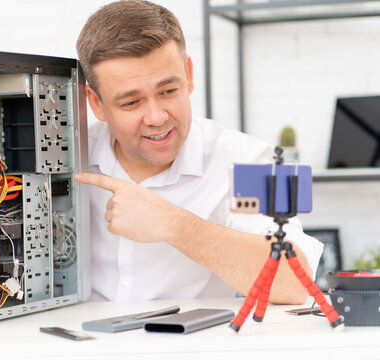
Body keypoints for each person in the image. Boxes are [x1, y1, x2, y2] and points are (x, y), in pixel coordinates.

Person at [74, 0, 323, 304]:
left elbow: (295, 280)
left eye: (168, 91)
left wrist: (173, 224)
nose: (156, 117)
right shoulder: (68, 157)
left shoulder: (251, 158)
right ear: (96, 102)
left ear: (188, 74)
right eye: (131, 103)